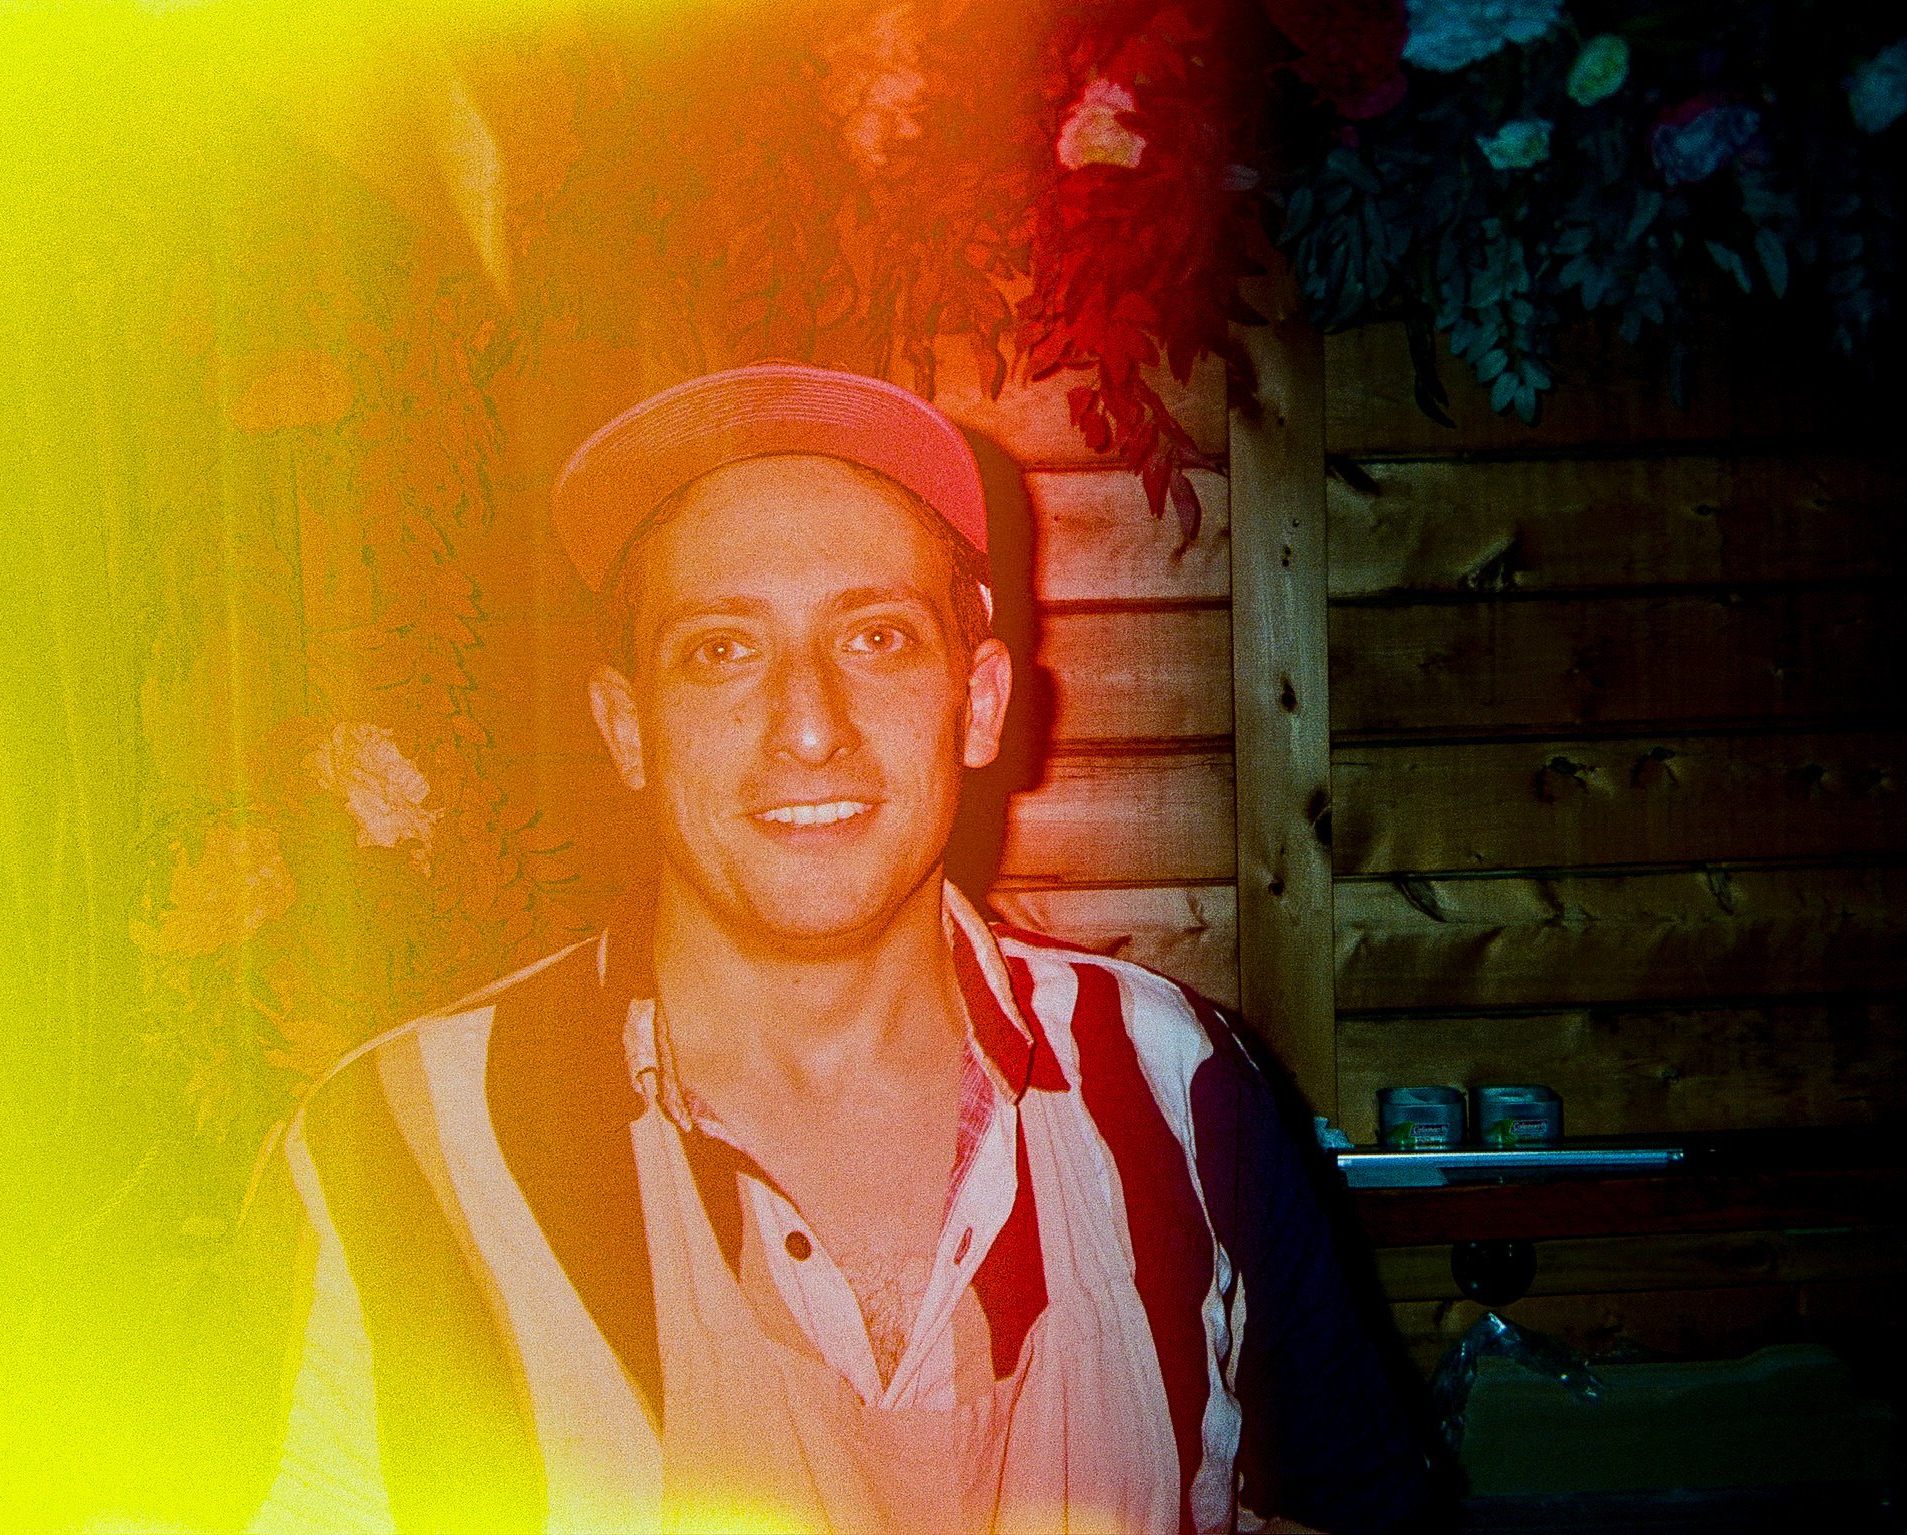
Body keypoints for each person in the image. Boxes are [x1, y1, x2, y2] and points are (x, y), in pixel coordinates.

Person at [245, 364, 1429, 1534]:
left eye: (876, 636)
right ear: (628, 728)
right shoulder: (396, 1152)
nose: (807, 725)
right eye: (720, 650)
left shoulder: (1181, 1089)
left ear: (977, 703)